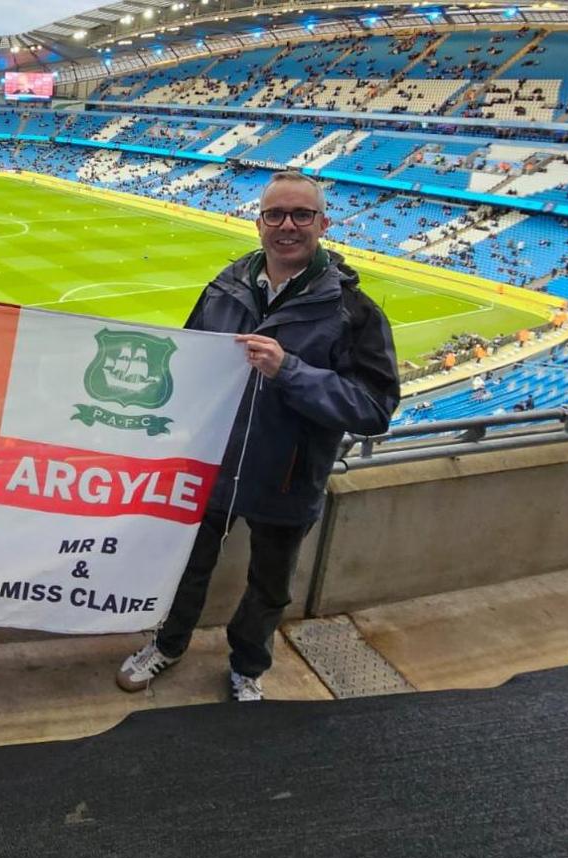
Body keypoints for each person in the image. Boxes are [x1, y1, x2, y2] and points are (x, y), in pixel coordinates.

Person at [116, 171, 400, 702]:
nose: (287, 226)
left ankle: (248, 667)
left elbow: (374, 407)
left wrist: (290, 370)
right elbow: (186, 370)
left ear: (323, 224)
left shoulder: (354, 311)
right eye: (276, 215)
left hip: (287, 476)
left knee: (269, 587)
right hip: (213, 465)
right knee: (184, 567)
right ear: (259, 222)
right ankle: (166, 645)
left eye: (301, 215)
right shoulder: (223, 289)